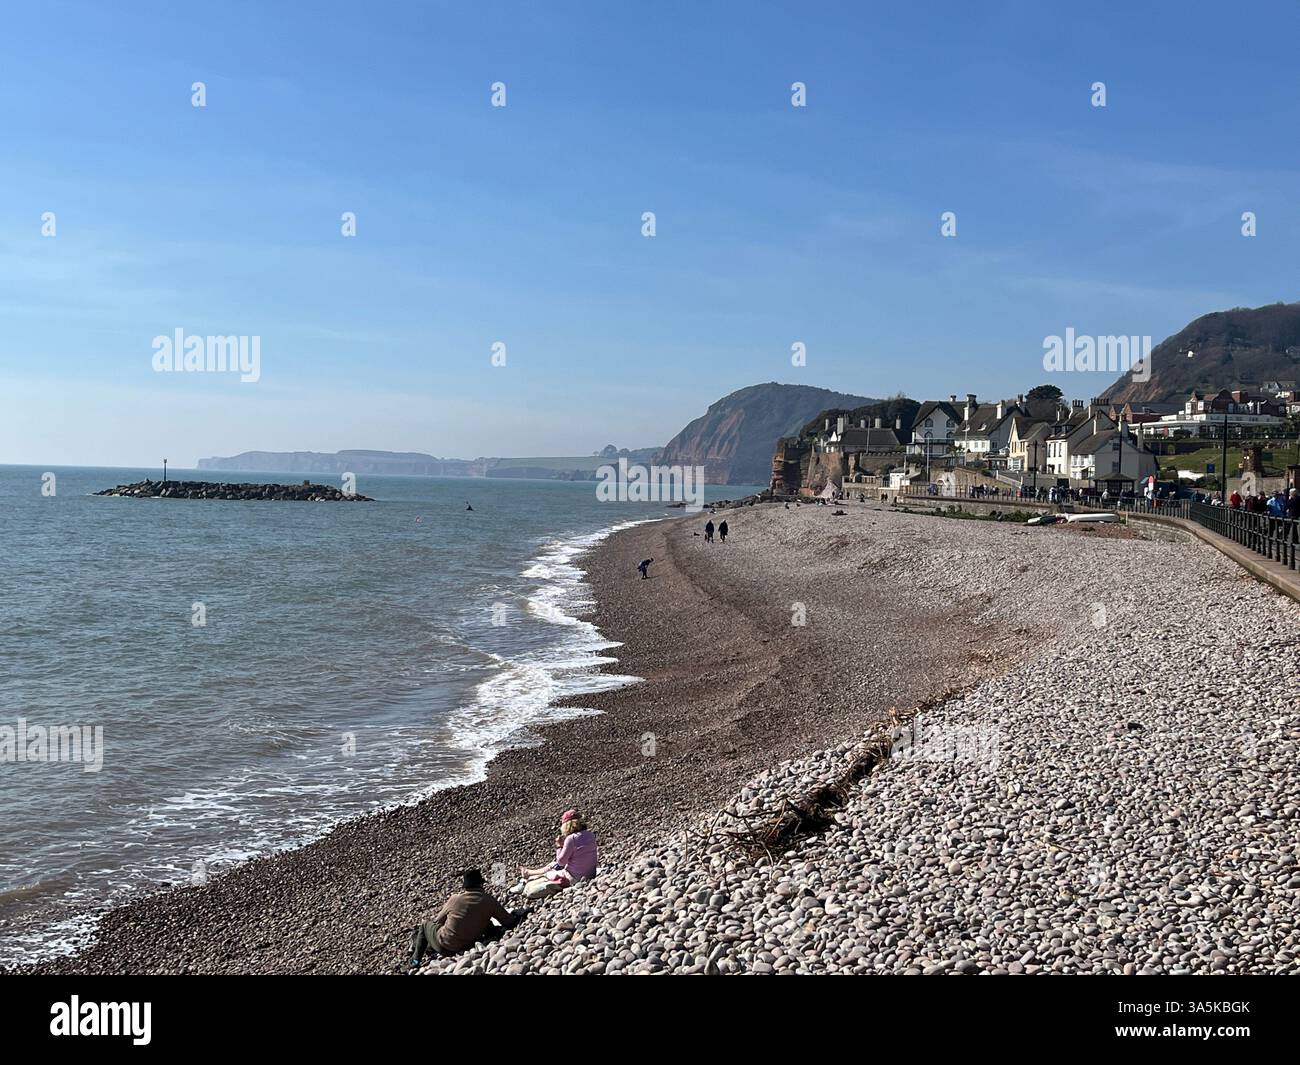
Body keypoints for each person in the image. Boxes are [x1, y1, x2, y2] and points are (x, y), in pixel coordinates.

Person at [408, 868, 519, 968]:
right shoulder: (489, 901)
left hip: (444, 946)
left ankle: (415, 960)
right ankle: (422, 946)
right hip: (467, 945)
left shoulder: (455, 899)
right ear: (481, 884)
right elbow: (508, 921)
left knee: (424, 925)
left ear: (465, 886)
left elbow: (438, 921)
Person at [516, 810, 597, 901]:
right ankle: (528, 872)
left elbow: (561, 862)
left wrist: (559, 846)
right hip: (590, 873)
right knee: (552, 865)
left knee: (549, 872)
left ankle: (529, 874)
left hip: (574, 877)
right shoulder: (590, 835)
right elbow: (579, 854)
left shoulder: (571, 839)